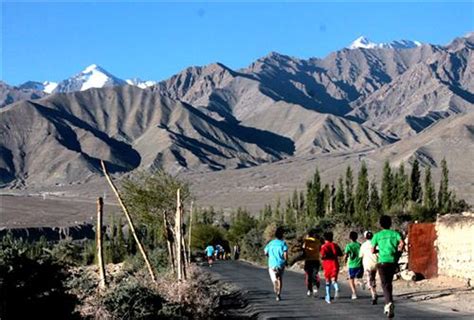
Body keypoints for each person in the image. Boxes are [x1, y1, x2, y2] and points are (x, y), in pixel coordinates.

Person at [372, 215, 405, 319]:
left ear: (380, 224)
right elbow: (402, 243)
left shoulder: (377, 236)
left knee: (384, 284)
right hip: (392, 261)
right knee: (389, 283)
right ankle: (389, 302)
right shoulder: (395, 234)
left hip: (382, 262)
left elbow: (372, 250)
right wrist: (398, 251)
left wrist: (379, 251)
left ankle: (388, 303)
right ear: (390, 223)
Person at [264, 226, 288, 301]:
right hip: (281, 263)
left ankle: (275, 283)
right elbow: (285, 254)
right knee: (280, 278)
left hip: (272, 263)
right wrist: (286, 261)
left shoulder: (270, 243)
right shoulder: (283, 243)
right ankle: (278, 294)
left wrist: (269, 256)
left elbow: (265, 252)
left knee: (274, 278)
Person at [320, 231, 343, 304]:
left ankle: (328, 297)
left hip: (327, 265)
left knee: (327, 281)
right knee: (334, 280)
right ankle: (336, 288)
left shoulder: (324, 246)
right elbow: (340, 254)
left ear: (324, 239)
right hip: (335, 264)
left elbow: (322, 256)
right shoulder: (335, 245)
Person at [360, 231, 378, 305]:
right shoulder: (376, 244)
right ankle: (373, 289)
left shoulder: (363, 245)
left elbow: (360, 255)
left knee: (370, 280)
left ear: (365, 237)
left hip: (367, 265)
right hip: (376, 263)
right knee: (373, 278)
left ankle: (374, 294)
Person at [344, 231, 363, 300]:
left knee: (351, 279)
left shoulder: (349, 246)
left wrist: (345, 261)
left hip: (352, 265)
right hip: (360, 264)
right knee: (358, 277)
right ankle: (359, 282)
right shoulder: (360, 245)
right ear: (357, 237)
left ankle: (354, 293)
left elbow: (346, 255)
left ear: (350, 237)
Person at [302, 229, 321, 297]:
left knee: (308, 275)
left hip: (308, 260)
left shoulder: (306, 241)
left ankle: (309, 290)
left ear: (308, 234)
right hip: (316, 260)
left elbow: (303, 249)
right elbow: (320, 249)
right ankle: (315, 286)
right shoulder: (317, 241)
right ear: (313, 234)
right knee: (315, 274)